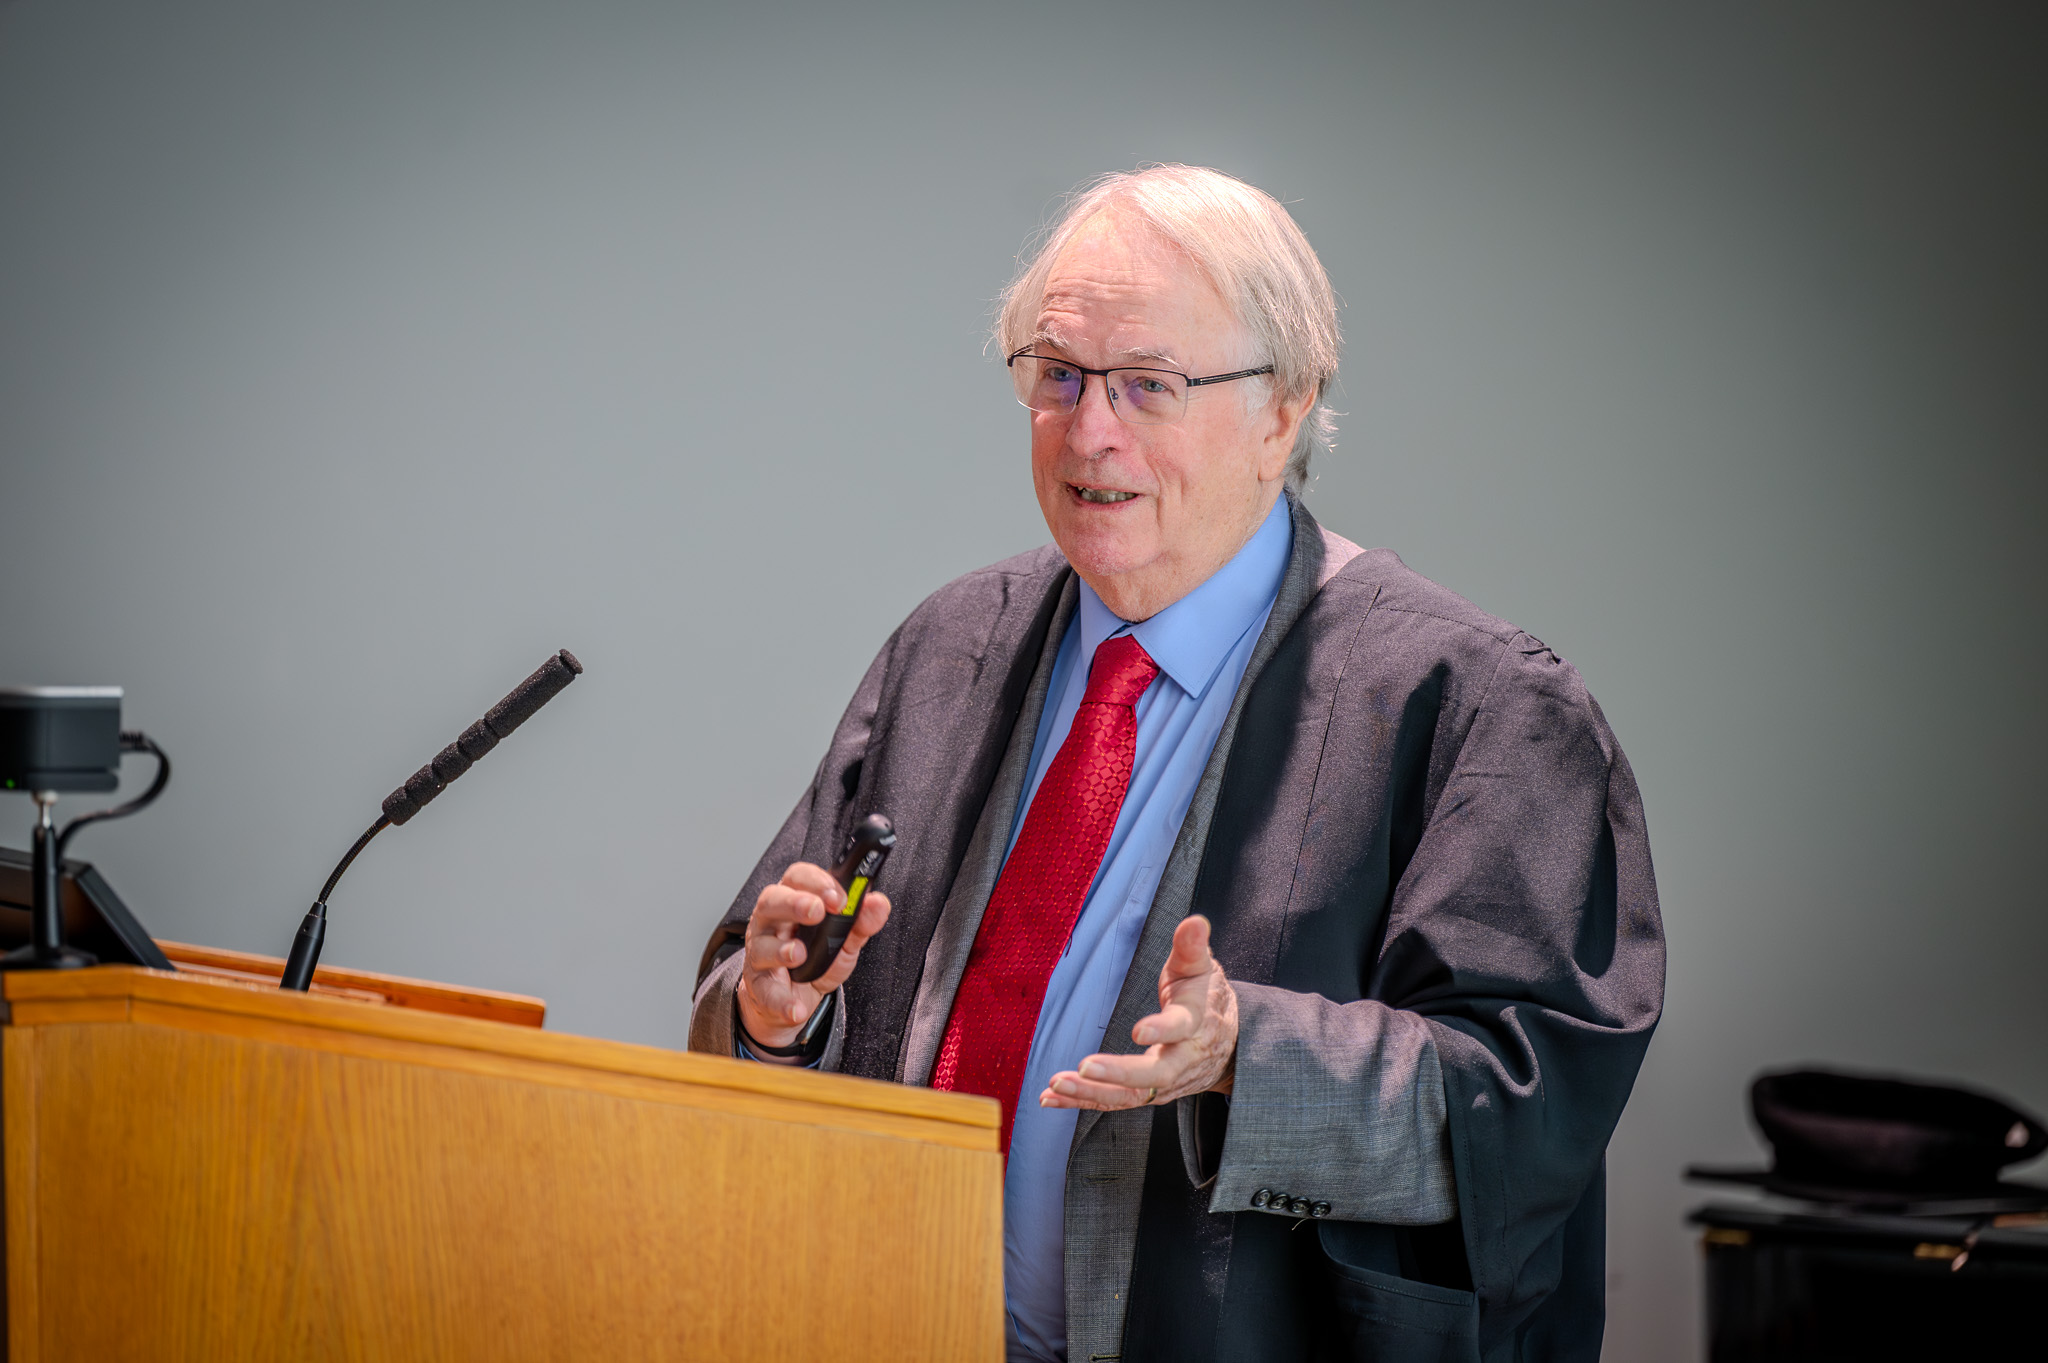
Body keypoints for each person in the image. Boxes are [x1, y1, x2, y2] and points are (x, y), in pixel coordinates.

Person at [690, 164, 1663, 1363]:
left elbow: (1530, 1103)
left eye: (1148, 384)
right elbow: (764, 980)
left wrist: (1248, 1051)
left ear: (1282, 410)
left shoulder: (1477, 705)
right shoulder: (952, 646)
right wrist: (772, 1015)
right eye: (1058, 375)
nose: (1089, 430)